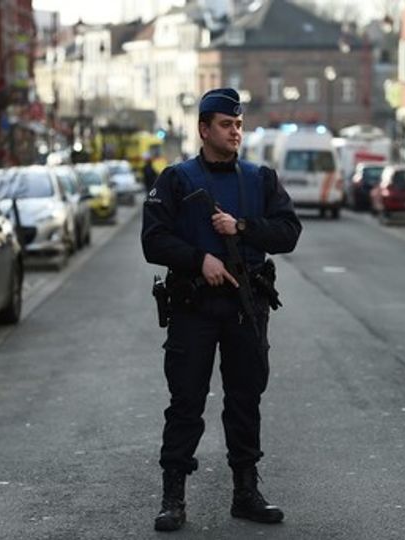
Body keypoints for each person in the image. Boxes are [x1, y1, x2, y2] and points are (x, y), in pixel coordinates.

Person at [142, 88, 302, 531]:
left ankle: (246, 492)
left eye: (238, 125)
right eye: (226, 125)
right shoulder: (176, 180)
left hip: (244, 307)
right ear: (204, 129)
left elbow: (288, 232)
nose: (235, 132)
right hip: (194, 307)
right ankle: (173, 497)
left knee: (245, 400)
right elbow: (152, 240)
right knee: (186, 401)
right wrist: (200, 259)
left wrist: (243, 228)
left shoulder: (260, 179)